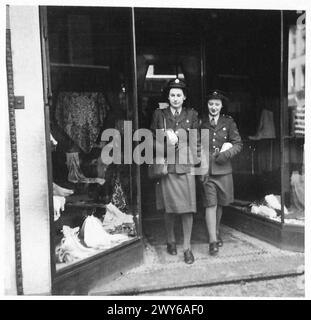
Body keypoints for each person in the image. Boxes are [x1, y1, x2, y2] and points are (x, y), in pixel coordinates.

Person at [150, 78, 199, 264]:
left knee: (188, 209)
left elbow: (196, 141)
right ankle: (170, 240)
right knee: (169, 208)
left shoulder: (192, 115)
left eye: (179, 95)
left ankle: (187, 248)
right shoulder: (159, 114)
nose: (175, 98)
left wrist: (180, 140)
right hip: (168, 167)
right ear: (168, 97)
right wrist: (164, 138)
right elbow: (150, 139)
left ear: (184, 97)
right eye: (172, 95)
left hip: (185, 167)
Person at [200, 90, 242, 255]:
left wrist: (225, 155)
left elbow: (238, 144)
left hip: (223, 170)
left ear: (221, 106)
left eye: (217, 104)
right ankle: (212, 240)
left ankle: (215, 231)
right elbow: (195, 144)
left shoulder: (228, 122)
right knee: (211, 204)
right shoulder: (201, 122)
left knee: (220, 205)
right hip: (207, 171)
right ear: (208, 105)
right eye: (211, 104)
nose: (213, 107)